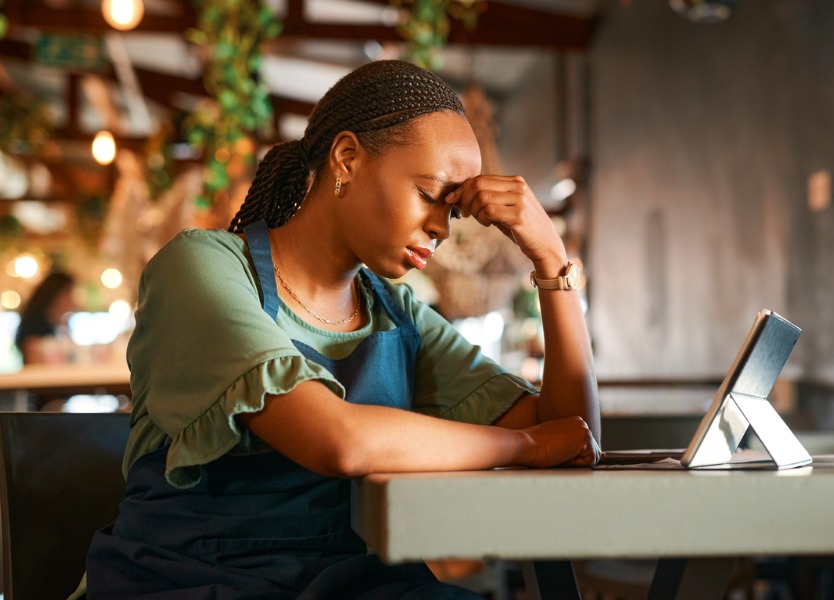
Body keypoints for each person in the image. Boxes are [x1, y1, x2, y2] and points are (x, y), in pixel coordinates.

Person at [82, 59, 600, 599]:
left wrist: (551, 260)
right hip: (190, 581)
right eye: (429, 195)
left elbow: (571, 435)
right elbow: (338, 440)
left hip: (346, 582)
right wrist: (524, 444)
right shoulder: (200, 267)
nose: (441, 229)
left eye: (452, 211)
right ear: (347, 158)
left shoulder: (395, 312)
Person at [14, 270, 76, 366]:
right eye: (69, 293)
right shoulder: (34, 324)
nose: (73, 299)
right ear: (56, 295)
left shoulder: (60, 325)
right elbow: (35, 363)